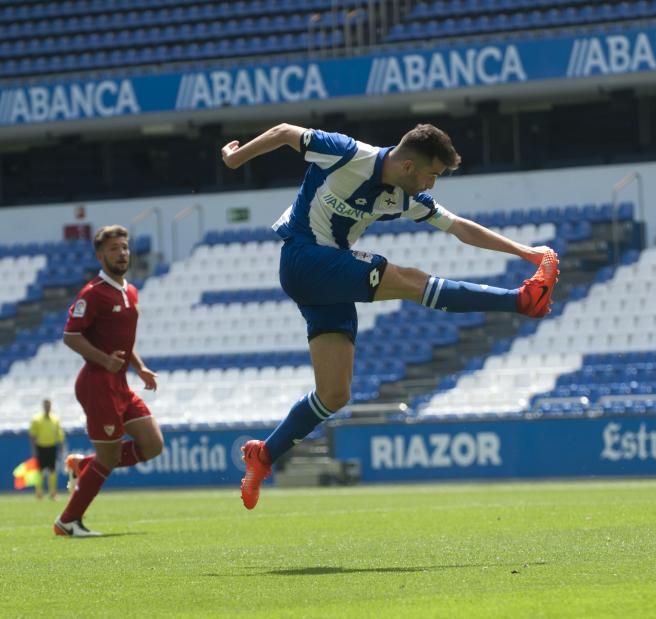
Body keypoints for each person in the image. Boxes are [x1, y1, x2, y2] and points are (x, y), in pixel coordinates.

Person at [220, 123, 559, 510]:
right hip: (304, 257)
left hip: (327, 279)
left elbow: (460, 228)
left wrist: (528, 253)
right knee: (410, 280)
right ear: (410, 165)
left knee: (334, 394)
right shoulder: (348, 153)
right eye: (433, 174)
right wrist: (236, 157)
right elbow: (283, 132)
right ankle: (520, 301)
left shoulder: (403, 196)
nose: (433, 185)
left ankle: (263, 455)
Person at [54, 225, 165, 537]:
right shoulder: (92, 293)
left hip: (121, 384)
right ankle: (67, 521)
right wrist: (104, 360)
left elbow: (123, 340)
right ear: (101, 255)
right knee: (109, 457)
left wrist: (139, 367)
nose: (122, 253)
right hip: (97, 384)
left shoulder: (130, 291)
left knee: (153, 444)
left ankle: (83, 465)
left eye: (125, 247)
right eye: (115, 249)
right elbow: (70, 336)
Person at [28, 398, 65, 500]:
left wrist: (61, 447)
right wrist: (34, 449)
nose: (47, 407)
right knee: (39, 471)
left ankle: (53, 493)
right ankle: (39, 493)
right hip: (41, 447)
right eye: (45, 405)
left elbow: (60, 434)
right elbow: (33, 436)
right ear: (43, 406)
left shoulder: (55, 419)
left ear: (51, 406)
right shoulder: (36, 419)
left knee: (52, 471)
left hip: (52, 447)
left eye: (49, 405)